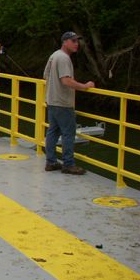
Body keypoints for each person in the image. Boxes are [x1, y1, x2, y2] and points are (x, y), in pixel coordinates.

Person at [43, 32, 95, 175]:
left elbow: (45, 75)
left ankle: (51, 162)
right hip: (63, 102)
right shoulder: (64, 58)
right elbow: (66, 80)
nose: (76, 44)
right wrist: (85, 86)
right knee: (68, 133)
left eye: (77, 41)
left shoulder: (54, 55)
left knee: (52, 132)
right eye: (73, 41)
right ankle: (68, 164)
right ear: (65, 42)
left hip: (51, 99)